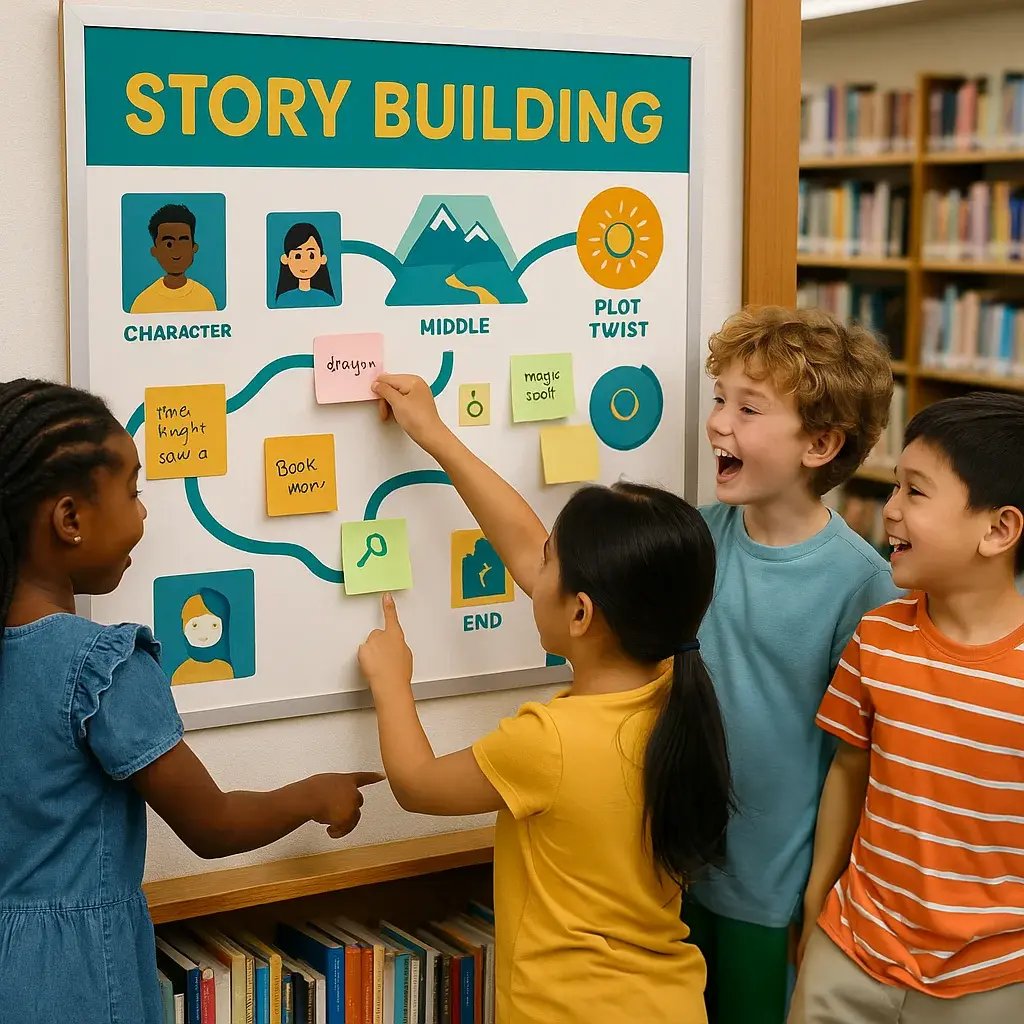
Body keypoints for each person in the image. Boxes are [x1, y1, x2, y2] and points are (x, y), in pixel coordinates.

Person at [0, 379, 381, 1024]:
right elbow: (212, 826)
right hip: (81, 978)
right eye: (131, 492)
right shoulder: (102, 668)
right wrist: (318, 794)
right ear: (69, 519)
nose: (142, 514)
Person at [358, 373, 734, 1024]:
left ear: (582, 614)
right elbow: (526, 547)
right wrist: (436, 436)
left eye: (550, 562)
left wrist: (393, 683)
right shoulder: (674, 686)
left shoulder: (549, 741)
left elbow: (417, 784)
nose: (535, 570)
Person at [685, 307, 902, 1024]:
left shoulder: (861, 583)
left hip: (774, 899)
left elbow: (858, 764)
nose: (719, 422)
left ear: (820, 444)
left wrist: (818, 901)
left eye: (748, 408)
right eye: (720, 398)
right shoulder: (700, 535)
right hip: (678, 870)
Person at [791, 392, 1024, 1024]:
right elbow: (847, 769)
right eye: (894, 487)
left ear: (998, 528)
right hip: (853, 946)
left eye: (915, 493)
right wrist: (819, 895)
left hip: (994, 979)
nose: (889, 510)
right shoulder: (877, 636)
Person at [130, 203, 218, 314]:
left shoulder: (205, 298)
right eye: (168, 243)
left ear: (194, 247)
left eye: (183, 241)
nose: (177, 250)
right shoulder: (142, 303)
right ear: (155, 251)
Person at [172, 588, 235, 684]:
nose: (204, 633)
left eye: (214, 625)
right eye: (195, 625)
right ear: (184, 627)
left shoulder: (226, 670)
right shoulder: (180, 673)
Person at [274, 222, 337, 308]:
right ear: (285, 259)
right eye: (297, 256)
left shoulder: (327, 298)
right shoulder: (282, 299)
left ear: (322, 259)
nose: (304, 262)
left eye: (311, 255)